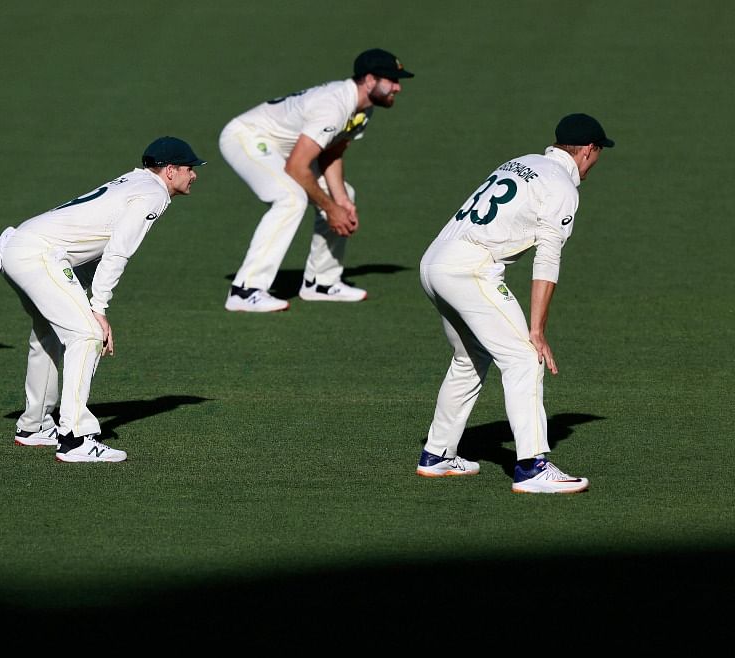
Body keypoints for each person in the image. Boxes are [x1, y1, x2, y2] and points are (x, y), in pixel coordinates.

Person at [416, 113, 613, 493]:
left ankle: (437, 454)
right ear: (589, 150)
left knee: (470, 357)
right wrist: (536, 331)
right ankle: (532, 468)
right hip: (469, 270)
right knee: (524, 357)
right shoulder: (562, 187)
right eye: (598, 152)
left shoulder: (523, 162)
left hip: (434, 262)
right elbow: (547, 259)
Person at [0, 137, 204, 462]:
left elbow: (92, 247)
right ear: (171, 171)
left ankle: (34, 427)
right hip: (40, 254)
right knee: (88, 334)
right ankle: (75, 438)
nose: (194, 175)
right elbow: (117, 251)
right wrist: (98, 310)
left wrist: (85, 300)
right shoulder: (153, 194)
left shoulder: (135, 180)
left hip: (19, 247)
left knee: (47, 336)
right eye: (190, 169)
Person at [220, 48, 412, 312]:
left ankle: (321, 282)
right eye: (392, 79)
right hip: (247, 138)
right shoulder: (333, 106)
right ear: (370, 80)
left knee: (344, 195)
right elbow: (297, 167)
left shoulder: (363, 109)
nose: (398, 87)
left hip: (287, 150)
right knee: (290, 198)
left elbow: (331, 152)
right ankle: (245, 289)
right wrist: (330, 209)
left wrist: (341, 201)